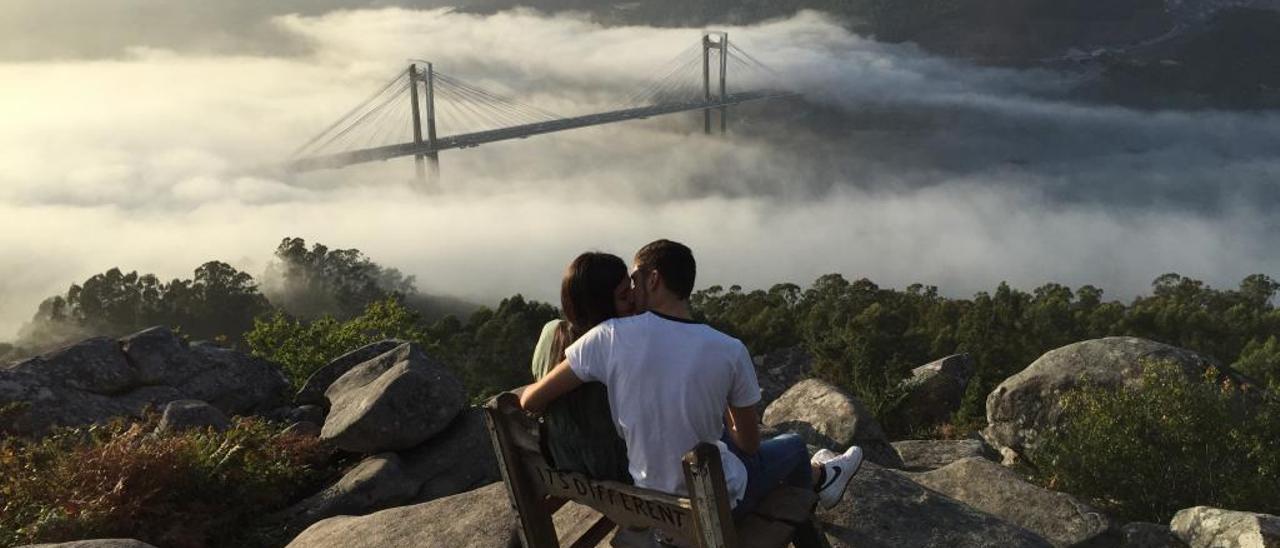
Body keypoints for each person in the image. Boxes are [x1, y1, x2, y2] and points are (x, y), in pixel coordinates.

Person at [521, 239, 862, 525]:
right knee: (792, 446)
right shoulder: (728, 350)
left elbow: (529, 401)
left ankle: (822, 477)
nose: (634, 292)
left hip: (645, 500)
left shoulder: (600, 338)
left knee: (716, 438)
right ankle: (821, 482)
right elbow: (749, 445)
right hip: (706, 507)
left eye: (635, 282)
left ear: (653, 280)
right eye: (628, 288)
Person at [530, 252, 635, 483]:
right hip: (616, 473)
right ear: (601, 304)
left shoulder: (551, 332)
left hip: (566, 467)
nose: (634, 300)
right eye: (624, 295)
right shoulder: (610, 345)